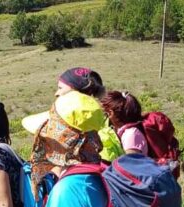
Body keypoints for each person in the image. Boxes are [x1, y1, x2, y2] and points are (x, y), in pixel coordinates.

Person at [22, 68, 122, 197]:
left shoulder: (70, 187)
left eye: (60, 87)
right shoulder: (99, 132)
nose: (56, 93)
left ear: (65, 139)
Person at [100, 90, 147, 155]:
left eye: (105, 113)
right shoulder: (124, 131)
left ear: (111, 113)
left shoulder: (130, 135)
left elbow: (132, 163)